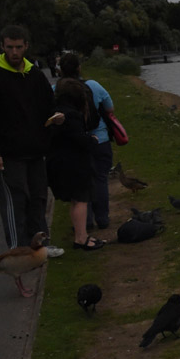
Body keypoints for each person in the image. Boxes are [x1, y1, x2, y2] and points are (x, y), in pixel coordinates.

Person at [0, 25, 64, 257]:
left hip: (36, 150)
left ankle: (41, 245)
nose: (14, 51)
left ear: (26, 46)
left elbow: (49, 104)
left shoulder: (35, 75)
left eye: (19, 47)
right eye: (10, 47)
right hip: (8, 153)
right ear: (2, 47)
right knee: (15, 201)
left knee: (38, 198)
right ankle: (18, 249)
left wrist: (56, 117)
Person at [47, 77, 108, 250]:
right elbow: (78, 138)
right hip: (74, 164)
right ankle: (81, 238)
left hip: (58, 162)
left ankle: (79, 235)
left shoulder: (56, 111)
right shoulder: (71, 115)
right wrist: (93, 140)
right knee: (81, 200)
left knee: (75, 201)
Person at [58, 52, 114, 230]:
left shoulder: (56, 90)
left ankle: (86, 222)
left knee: (80, 183)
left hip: (73, 143)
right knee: (100, 179)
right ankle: (103, 218)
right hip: (100, 139)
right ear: (79, 68)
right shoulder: (93, 85)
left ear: (60, 69)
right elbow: (110, 107)